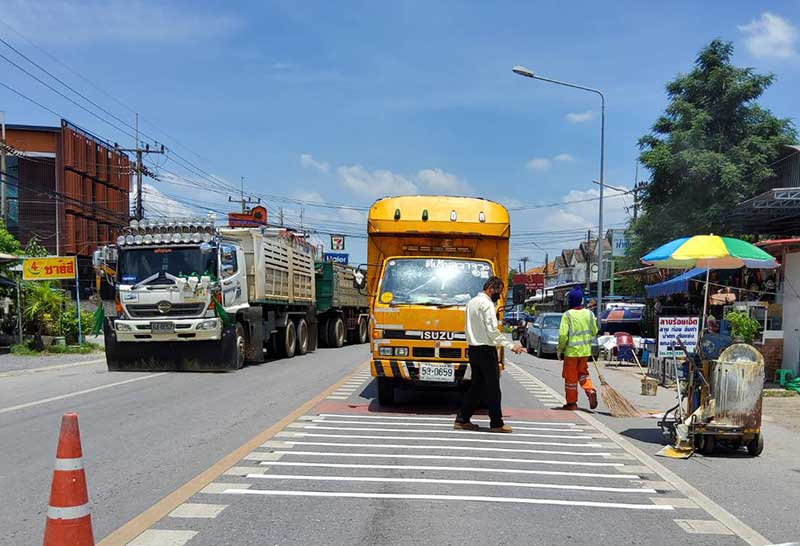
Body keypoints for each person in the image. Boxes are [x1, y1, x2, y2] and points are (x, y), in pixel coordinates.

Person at [455, 276, 524, 433]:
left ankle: (462, 419)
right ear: (491, 288)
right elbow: (492, 331)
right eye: (498, 291)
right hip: (486, 350)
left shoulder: (471, 302)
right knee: (493, 388)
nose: (499, 296)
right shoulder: (487, 304)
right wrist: (511, 345)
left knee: (477, 386)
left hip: (473, 349)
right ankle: (496, 423)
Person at [556, 287, 598, 411]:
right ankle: (590, 390)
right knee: (583, 374)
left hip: (571, 353)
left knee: (571, 378)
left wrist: (559, 349)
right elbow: (594, 331)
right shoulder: (589, 314)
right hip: (585, 352)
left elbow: (563, 335)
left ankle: (571, 403)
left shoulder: (568, 315)